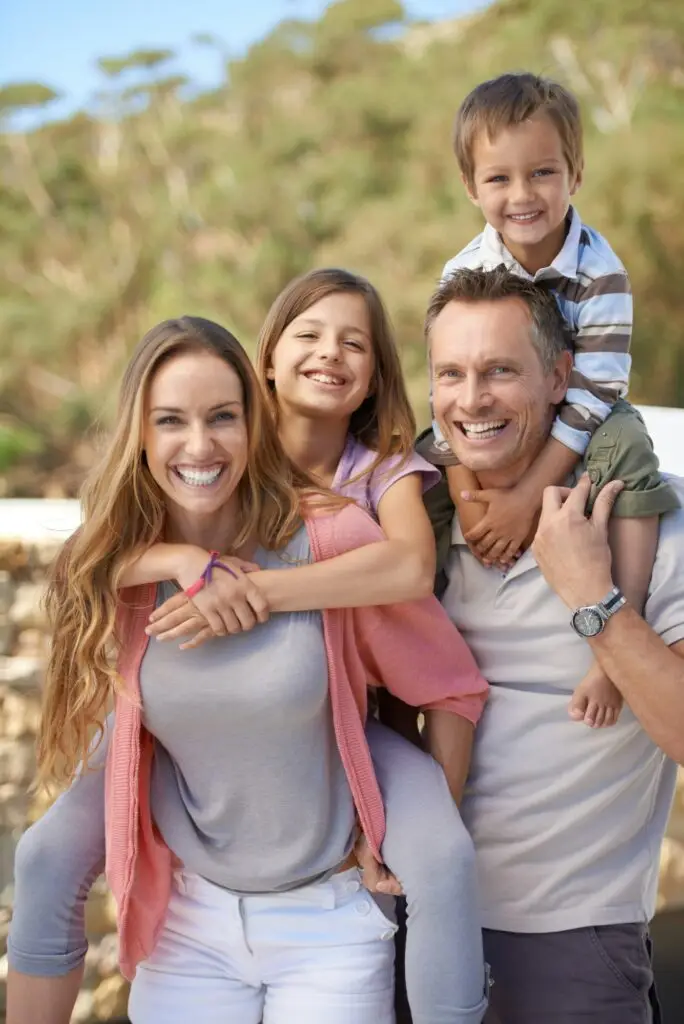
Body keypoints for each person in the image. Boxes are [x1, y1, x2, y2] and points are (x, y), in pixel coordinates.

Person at [8, 303, 489, 1024]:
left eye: (221, 417)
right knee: (43, 855)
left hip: (325, 919)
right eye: (170, 419)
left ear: (252, 420)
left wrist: (405, 835)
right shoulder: (128, 562)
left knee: (447, 863)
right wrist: (182, 559)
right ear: (139, 431)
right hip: (192, 921)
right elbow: (83, 565)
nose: (199, 445)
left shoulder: (328, 539)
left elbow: (450, 683)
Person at [417, 264, 684, 1023]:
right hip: (408, 922)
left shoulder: (651, 520)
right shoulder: (421, 520)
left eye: (501, 370)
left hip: (573, 942)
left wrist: (593, 599)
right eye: (451, 374)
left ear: (562, 376)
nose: (472, 399)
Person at [427, 72, 679, 728]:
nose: (521, 196)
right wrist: (469, 499)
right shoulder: (461, 273)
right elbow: (446, 393)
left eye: (542, 173)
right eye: (498, 179)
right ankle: (426, 645)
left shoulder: (601, 272)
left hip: (581, 417)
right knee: (413, 462)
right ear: (469, 187)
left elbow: (597, 394)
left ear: (575, 174)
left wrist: (519, 502)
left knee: (630, 448)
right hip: (497, 417)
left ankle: (615, 638)